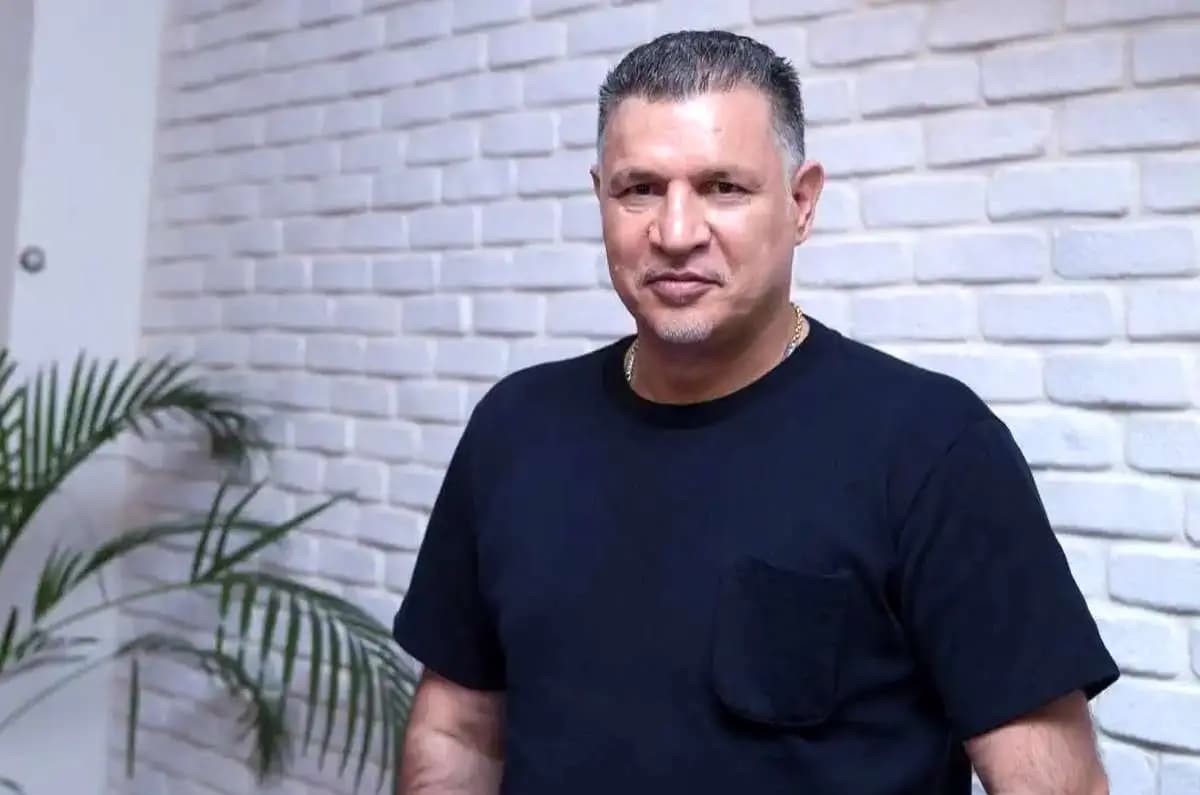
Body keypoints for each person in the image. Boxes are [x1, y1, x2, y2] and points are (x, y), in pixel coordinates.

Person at [390, 30, 1119, 795]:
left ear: (801, 202)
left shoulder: (931, 447)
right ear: (600, 196)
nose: (675, 234)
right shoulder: (515, 430)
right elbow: (457, 731)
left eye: (723, 188)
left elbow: (1056, 786)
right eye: (640, 189)